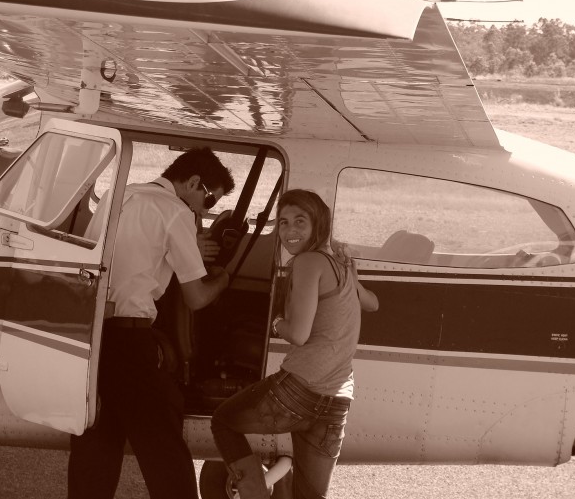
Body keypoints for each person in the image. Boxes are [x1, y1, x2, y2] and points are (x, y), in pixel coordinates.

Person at [68, 147, 235, 499]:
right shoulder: (176, 213)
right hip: (129, 341)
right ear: (194, 182)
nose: (204, 211)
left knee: (97, 438)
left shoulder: (116, 196)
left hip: (92, 333)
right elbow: (196, 297)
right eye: (208, 201)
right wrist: (222, 280)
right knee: (164, 442)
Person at [211, 189, 379, 499]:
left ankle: (254, 495)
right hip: (337, 401)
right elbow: (372, 303)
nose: (290, 230)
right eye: (283, 222)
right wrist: (353, 276)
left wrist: (276, 323)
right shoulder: (340, 265)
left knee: (223, 422)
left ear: (319, 225)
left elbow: (298, 335)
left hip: (299, 389)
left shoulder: (307, 262)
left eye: (300, 221)